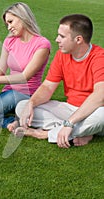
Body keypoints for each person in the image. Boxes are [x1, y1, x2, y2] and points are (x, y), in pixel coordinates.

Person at [12, 14, 104, 148]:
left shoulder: (99, 58)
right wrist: (31, 103)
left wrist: (70, 123)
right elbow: (48, 86)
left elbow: (100, 96)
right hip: (69, 109)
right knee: (22, 106)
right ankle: (79, 132)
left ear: (78, 39)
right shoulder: (62, 55)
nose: (56, 40)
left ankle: (44, 134)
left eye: (62, 36)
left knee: (102, 117)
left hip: (94, 110)